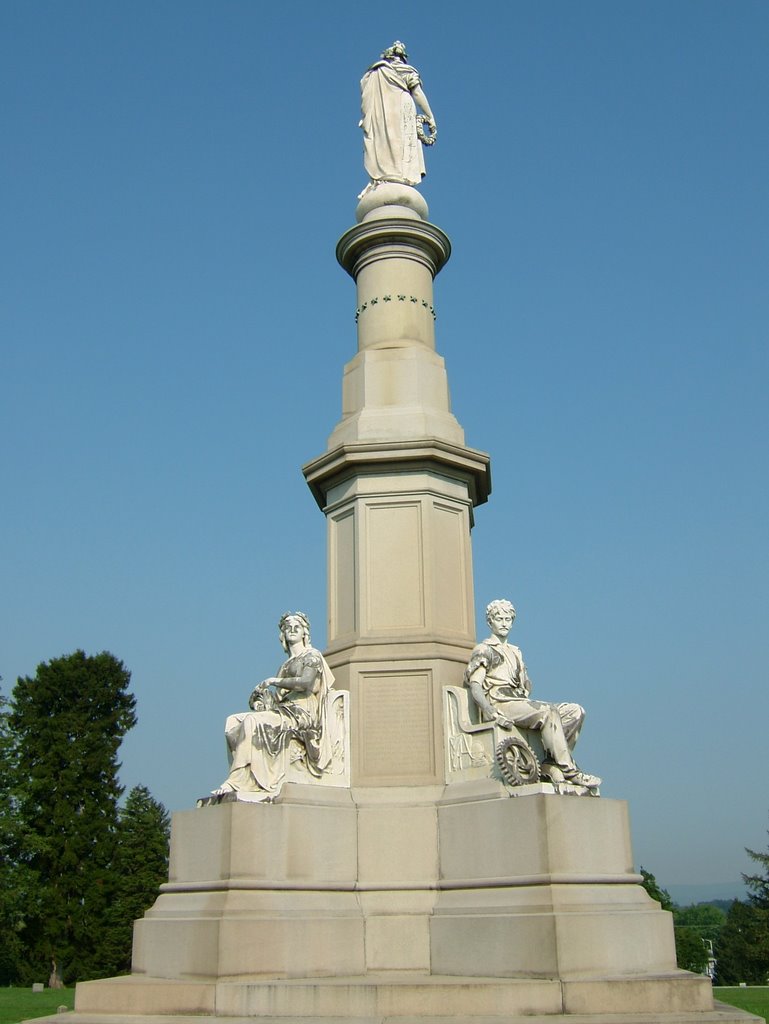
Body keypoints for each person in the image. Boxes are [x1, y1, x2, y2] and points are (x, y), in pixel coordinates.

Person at [465, 599, 601, 788]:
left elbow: (527, 685)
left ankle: (551, 763)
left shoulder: (516, 651)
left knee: (575, 711)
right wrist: (488, 709)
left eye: (508, 619)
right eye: (499, 619)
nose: (504, 623)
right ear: (490, 622)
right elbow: (475, 685)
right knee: (547, 711)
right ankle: (571, 771)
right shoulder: (484, 649)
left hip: (520, 701)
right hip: (501, 701)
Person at [213, 612, 335, 801]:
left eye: (297, 626)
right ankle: (246, 775)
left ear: (305, 632)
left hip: (302, 712)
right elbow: (277, 700)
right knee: (232, 721)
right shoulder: (286, 664)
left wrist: (274, 681)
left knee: (252, 721)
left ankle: (237, 779)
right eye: (288, 627)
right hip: (284, 710)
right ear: (283, 634)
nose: (292, 630)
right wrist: (261, 700)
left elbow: (306, 683)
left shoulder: (312, 656)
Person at [359, 41, 437, 190]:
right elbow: (417, 92)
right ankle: (399, 174)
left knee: (384, 139)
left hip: (383, 111)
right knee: (400, 141)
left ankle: (386, 173)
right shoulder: (406, 71)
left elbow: (366, 97)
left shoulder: (377, 72)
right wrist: (430, 116)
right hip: (402, 107)